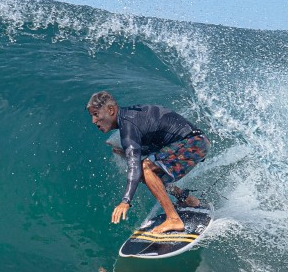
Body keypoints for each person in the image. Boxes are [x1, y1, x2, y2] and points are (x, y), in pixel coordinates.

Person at [87, 91, 209, 234]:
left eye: (96, 114)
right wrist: (128, 152)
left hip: (193, 143)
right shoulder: (129, 117)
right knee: (148, 172)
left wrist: (125, 201)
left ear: (111, 110)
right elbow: (160, 142)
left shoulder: (128, 126)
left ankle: (174, 219)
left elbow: (135, 166)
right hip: (194, 143)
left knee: (145, 168)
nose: (93, 121)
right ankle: (187, 200)